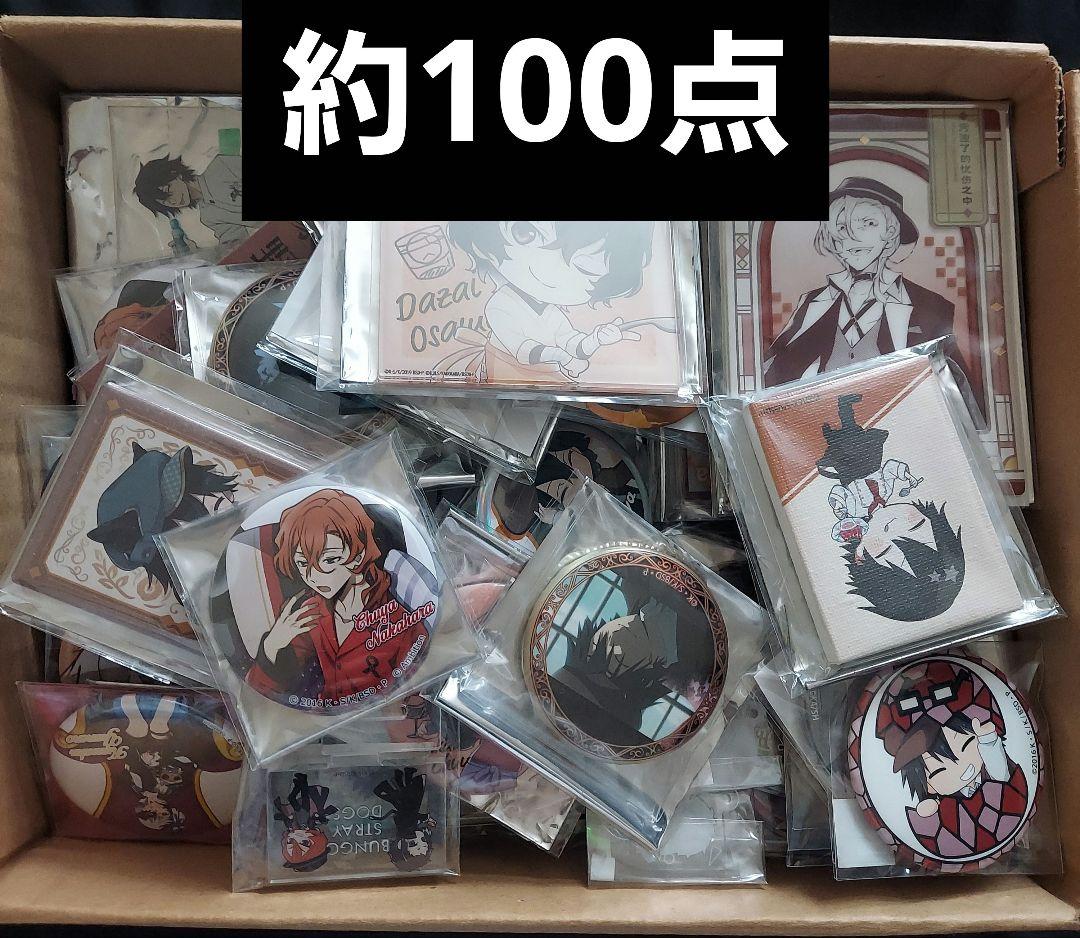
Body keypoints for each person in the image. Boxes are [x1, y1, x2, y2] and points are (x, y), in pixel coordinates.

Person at [246, 490, 439, 707]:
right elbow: (259, 694)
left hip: (386, 711)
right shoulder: (308, 612)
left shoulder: (402, 619)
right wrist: (272, 644)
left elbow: (420, 679)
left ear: (358, 556)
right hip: (322, 717)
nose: (312, 576)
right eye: (302, 563)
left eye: (329, 560)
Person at [763, 177, 954, 387]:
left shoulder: (929, 305)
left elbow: (950, 382)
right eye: (842, 227)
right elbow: (773, 374)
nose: (853, 238)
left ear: (891, 232)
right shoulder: (812, 302)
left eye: (868, 223)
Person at [815, 394, 966, 621]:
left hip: (847, 463)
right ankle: (843, 411)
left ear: (860, 557)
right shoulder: (884, 484)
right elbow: (894, 469)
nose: (892, 527)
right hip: (865, 454)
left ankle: (834, 422)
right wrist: (909, 479)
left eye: (883, 551)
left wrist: (841, 510)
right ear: (929, 517)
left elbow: (837, 495)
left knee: (839, 438)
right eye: (916, 526)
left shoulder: (854, 511)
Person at [447, 221, 654, 382]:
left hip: (548, 377)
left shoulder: (551, 311)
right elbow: (523, 351)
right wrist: (563, 358)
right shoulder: (499, 305)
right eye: (525, 233)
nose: (547, 267)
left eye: (586, 269)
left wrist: (596, 339)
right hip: (507, 371)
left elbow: (571, 342)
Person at [876, 661, 1029, 860]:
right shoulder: (943, 808)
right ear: (929, 786)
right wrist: (929, 810)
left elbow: (1001, 774)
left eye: (966, 746)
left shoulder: (994, 774)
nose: (961, 769)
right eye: (939, 771)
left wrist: (989, 742)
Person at [133, 153, 259, 248]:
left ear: (175, 174)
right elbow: (237, 248)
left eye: (168, 189)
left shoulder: (222, 166)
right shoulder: (209, 218)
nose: (173, 201)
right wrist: (196, 253)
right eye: (165, 202)